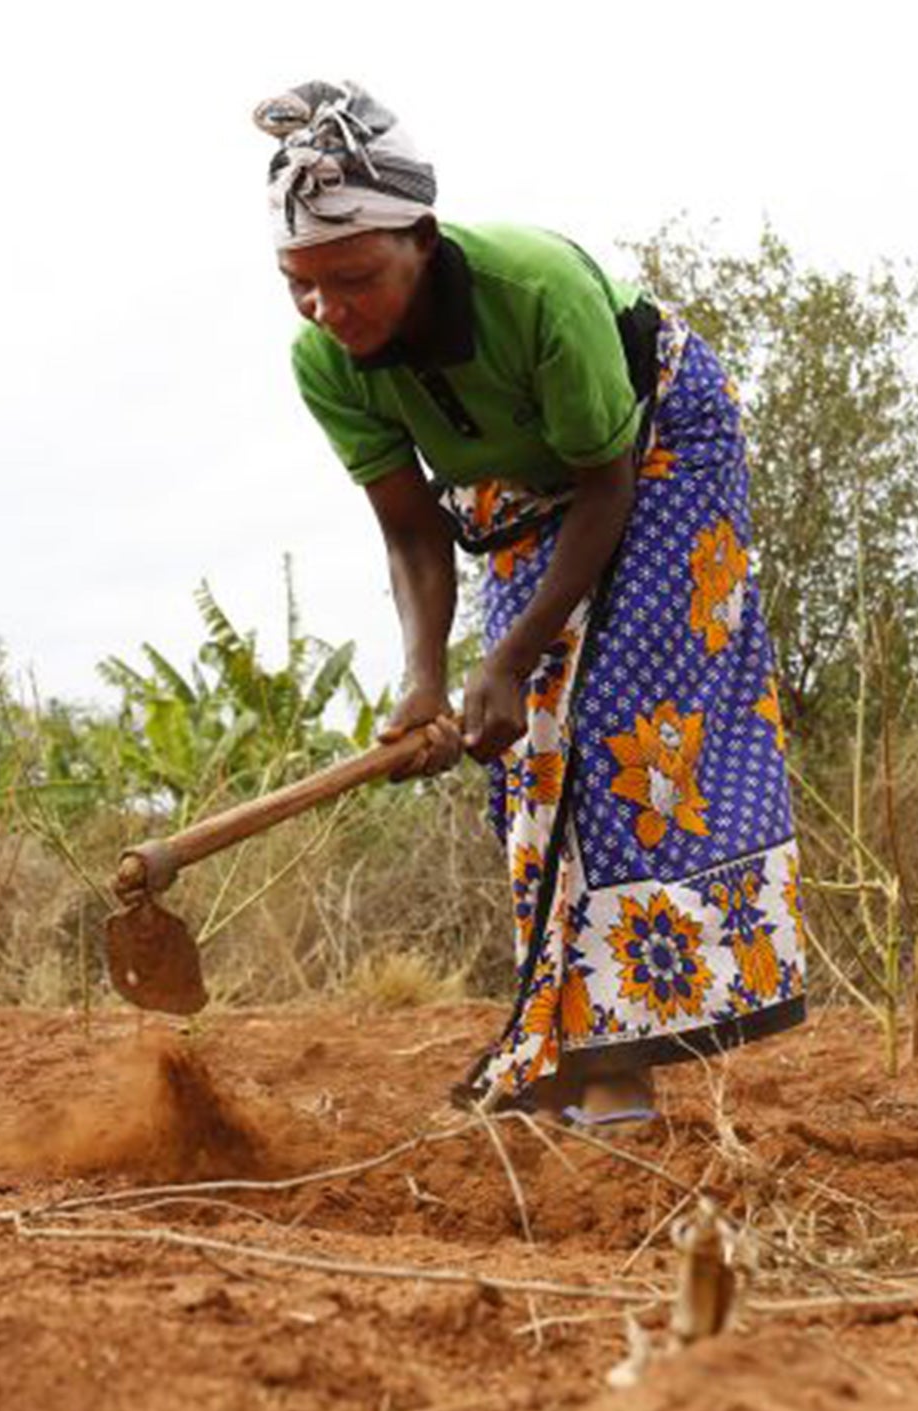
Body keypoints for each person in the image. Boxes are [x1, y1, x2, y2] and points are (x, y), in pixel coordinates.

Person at [259, 80, 806, 1125]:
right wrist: (428, 681)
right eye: (299, 286)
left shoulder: (536, 290)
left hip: (653, 450)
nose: (328, 310)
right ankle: (556, 1041)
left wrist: (508, 657)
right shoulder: (324, 360)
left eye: (352, 278)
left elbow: (605, 485)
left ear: (419, 239)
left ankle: (617, 1071)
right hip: (518, 490)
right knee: (525, 748)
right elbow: (413, 529)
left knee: (614, 724)